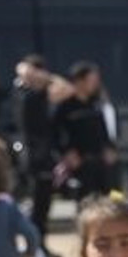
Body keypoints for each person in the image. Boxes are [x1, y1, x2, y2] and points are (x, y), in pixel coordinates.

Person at [13, 53, 71, 257]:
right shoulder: (25, 92)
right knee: (37, 205)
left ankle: (37, 246)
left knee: (43, 204)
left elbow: (66, 90)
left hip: (44, 154)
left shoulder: (41, 92)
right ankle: (35, 247)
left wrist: (43, 77)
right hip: (32, 156)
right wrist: (36, 76)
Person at [53, 62, 118, 201]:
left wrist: (110, 148)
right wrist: (67, 153)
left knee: (113, 197)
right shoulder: (65, 107)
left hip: (101, 161)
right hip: (81, 164)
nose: (96, 84)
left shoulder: (96, 104)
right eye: (92, 80)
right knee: (86, 201)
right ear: (79, 81)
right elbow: (56, 134)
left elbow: (105, 130)